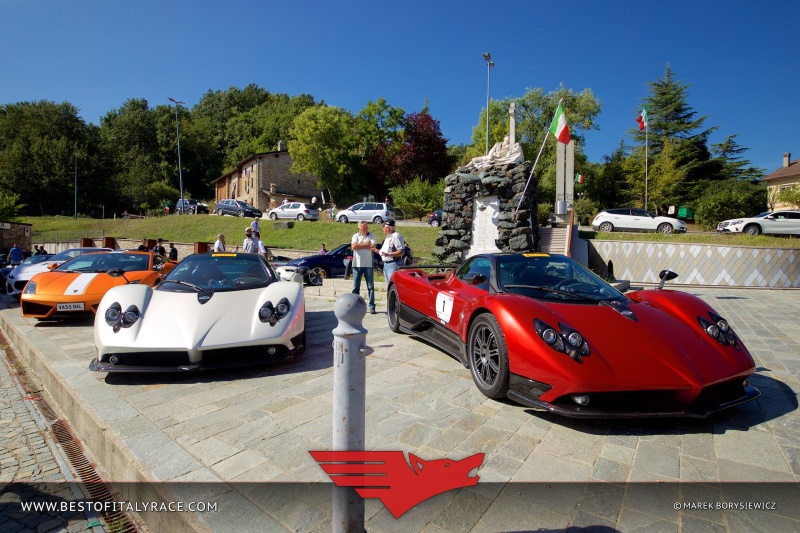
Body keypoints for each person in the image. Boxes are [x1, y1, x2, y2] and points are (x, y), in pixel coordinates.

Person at [351, 221, 377, 314]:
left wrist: (360, 246)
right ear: (359, 228)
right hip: (357, 265)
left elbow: (373, 246)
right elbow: (353, 246)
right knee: (355, 287)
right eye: (363, 228)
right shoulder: (355, 236)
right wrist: (366, 244)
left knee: (370, 286)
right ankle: (355, 306)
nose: (366, 229)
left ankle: (372, 306)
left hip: (368, 265)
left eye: (366, 227)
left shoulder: (371, 235)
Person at [376, 220, 404, 290]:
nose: (383, 229)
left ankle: (394, 301)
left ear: (387, 228)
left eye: (383, 227)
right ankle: (390, 300)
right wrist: (376, 250)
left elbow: (401, 251)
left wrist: (390, 254)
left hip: (393, 264)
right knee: (389, 287)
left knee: (393, 287)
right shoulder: (388, 237)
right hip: (386, 264)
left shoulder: (396, 236)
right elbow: (384, 252)